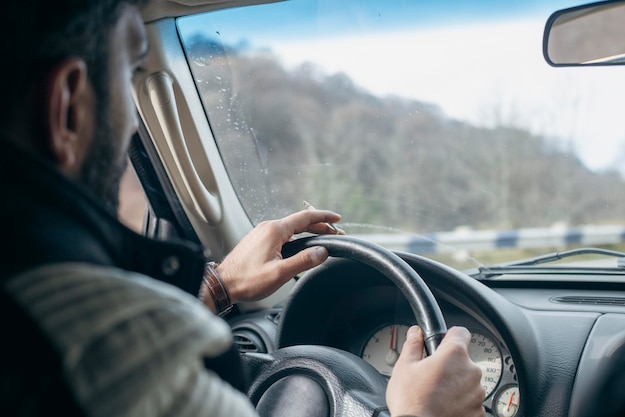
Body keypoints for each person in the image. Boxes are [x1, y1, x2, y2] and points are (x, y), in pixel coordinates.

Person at [0, 1, 485, 416]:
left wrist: (218, 286)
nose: (131, 127)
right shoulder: (118, 355)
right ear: (67, 108)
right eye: (128, 76)